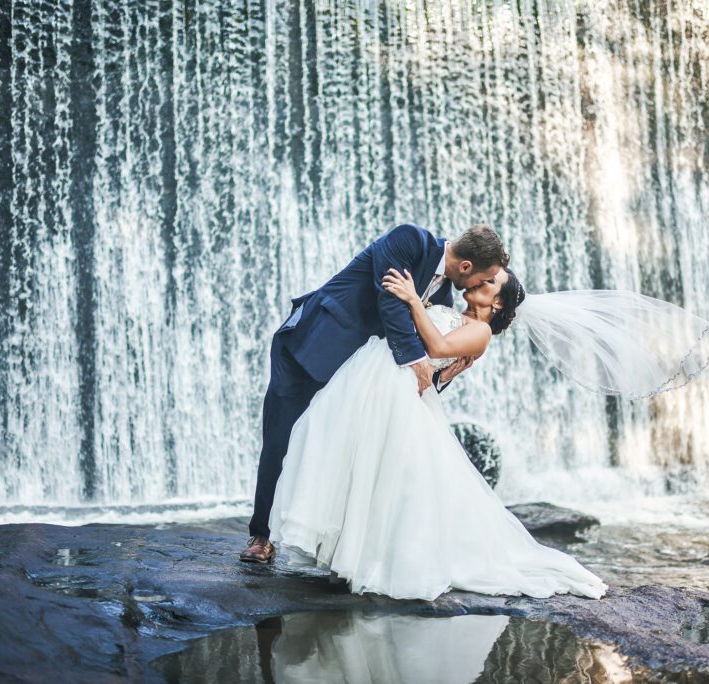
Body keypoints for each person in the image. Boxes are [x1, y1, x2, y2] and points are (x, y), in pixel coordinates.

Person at [264, 264, 612, 600]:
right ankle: (343, 550)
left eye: (490, 282)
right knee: (348, 456)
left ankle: (371, 559)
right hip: (375, 376)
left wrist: (415, 301)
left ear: (498, 303)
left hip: (399, 392)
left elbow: (438, 349)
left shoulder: (482, 331)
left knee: (387, 477)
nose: (481, 281)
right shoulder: (448, 305)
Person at [239, 223, 509, 564]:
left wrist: (442, 374)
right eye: (483, 279)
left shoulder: (444, 297)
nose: (480, 286)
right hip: (313, 349)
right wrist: (418, 360)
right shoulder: (409, 240)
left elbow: (430, 347)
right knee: (281, 439)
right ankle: (262, 535)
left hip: (358, 378)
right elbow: (390, 303)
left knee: (338, 450)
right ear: (466, 267)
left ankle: (328, 543)